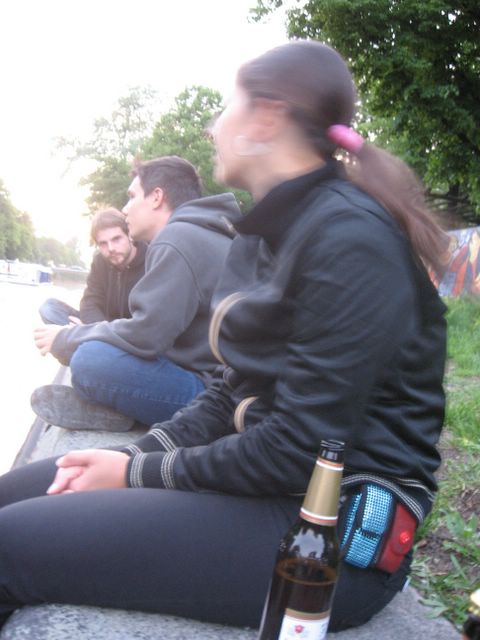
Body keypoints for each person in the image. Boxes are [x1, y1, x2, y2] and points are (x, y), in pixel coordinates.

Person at [0, 41, 448, 631]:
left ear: (266, 117)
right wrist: (133, 455)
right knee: (19, 493)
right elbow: (227, 392)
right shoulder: (266, 231)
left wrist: (134, 476)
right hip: (266, 489)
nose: (213, 127)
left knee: (8, 546)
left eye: (226, 106)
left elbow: (298, 450)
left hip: (328, 536)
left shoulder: (350, 239)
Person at [32, 156, 239, 428]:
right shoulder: (201, 232)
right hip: (217, 381)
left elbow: (147, 336)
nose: (125, 208)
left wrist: (68, 337)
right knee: (72, 330)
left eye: (131, 197)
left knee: (89, 360)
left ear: (156, 197)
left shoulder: (176, 240)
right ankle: (122, 405)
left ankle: (122, 411)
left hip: (209, 397)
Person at [39, 208, 147, 326]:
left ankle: (82, 334)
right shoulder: (100, 262)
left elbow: (148, 320)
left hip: (132, 332)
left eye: (116, 239)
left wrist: (94, 332)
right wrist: (95, 328)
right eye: (103, 243)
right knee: (49, 308)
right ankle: (85, 334)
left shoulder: (151, 260)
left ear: (129, 235)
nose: (110, 248)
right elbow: (89, 302)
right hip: (101, 325)